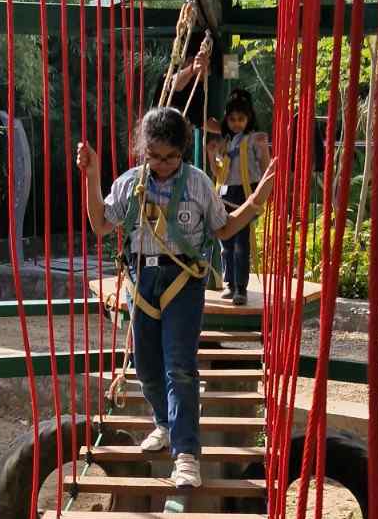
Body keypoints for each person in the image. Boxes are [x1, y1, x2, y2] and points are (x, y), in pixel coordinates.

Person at [78, 106, 276, 490]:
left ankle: (186, 454)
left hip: (184, 279)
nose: (163, 164)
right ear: (143, 151)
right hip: (142, 278)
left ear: (183, 151)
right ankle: (166, 424)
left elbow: (223, 229)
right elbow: (101, 225)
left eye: (171, 157)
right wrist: (92, 176)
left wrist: (257, 200)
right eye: (155, 156)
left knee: (180, 367)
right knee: (146, 366)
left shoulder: (199, 183)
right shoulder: (131, 183)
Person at [212, 88, 271, 305]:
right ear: (227, 120)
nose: (237, 123)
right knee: (225, 241)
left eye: (241, 119)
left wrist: (265, 191)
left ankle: (241, 288)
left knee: (241, 243)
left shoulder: (255, 138)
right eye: (232, 119)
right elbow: (218, 172)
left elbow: (266, 166)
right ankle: (229, 283)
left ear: (249, 119)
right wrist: (212, 155)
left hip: (246, 193)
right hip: (225, 193)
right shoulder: (225, 142)